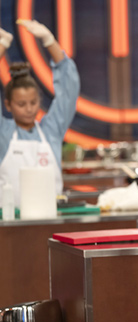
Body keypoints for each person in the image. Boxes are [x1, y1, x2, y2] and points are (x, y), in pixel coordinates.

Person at [0, 20, 80, 206]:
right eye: (21, 104)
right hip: (9, 224)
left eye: (33, 103)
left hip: (51, 219)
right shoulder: (3, 133)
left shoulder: (51, 130)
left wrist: (49, 40)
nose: (29, 109)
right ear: (8, 105)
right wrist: (3, 44)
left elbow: (69, 89)